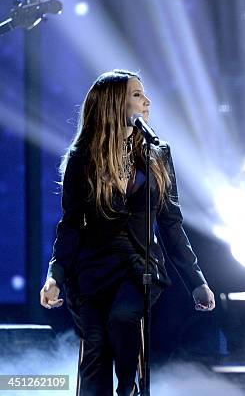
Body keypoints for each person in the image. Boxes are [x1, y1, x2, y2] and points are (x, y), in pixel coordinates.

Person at [39, 70, 215, 396]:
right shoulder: (83, 158)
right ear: (113, 103)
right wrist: (56, 275)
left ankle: (129, 389)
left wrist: (197, 281)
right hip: (90, 270)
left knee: (122, 318)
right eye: (137, 94)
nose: (147, 101)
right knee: (95, 348)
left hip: (139, 267)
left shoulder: (157, 154)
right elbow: (71, 224)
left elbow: (170, 223)